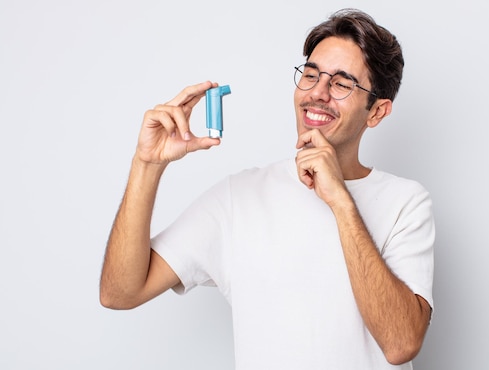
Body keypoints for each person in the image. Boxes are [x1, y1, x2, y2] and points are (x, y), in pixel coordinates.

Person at [100, 8, 435, 370]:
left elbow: (401, 344)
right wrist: (147, 165)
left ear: (377, 112)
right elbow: (120, 293)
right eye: (310, 75)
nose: (317, 93)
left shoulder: (406, 202)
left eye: (341, 84)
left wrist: (341, 200)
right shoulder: (238, 197)